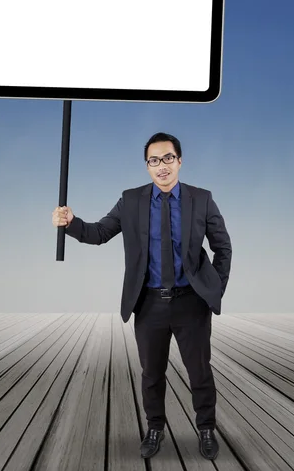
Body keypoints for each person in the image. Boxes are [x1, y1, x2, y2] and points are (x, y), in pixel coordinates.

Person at [51, 132, 232, 460]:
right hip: (148, 304)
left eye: (167, 159)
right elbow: (99, 233)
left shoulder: (201, 199)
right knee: (151, 373)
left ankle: (206, 428)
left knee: (199, 370)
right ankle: (155, 428)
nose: (161, 166)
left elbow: (223, 246)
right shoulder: (131, 201)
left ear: (179, 161)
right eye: (154, 160)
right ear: (147, 166)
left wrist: (212, 289)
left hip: (191, 302)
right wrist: (71, 223)